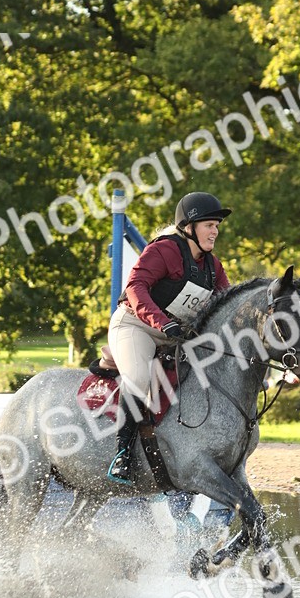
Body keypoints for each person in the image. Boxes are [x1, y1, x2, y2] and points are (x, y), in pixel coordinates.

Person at [106, 191, 232, 484]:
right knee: (138, 378)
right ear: (189, 227)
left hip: (174, 336)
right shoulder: (163, 251)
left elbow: (226, 307)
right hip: (135, 326)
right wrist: (163, 323)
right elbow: (136, 287)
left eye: (216, 226)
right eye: (209, 225)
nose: (215, 231)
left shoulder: (213, 267)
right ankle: (122, 453)